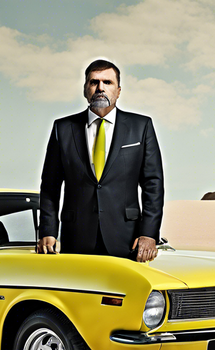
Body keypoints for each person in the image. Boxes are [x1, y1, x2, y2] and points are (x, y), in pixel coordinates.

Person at [37, 59, 164, 262]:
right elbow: (50, 186)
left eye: (107, 82)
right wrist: (48, 230)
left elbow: (153, 185)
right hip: (76, 236)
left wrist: (149, 233)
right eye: (94, 82)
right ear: (85, 89)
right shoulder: (62, 128)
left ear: (119, 90)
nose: (100, 88)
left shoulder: (141, 126)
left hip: (127, 237)